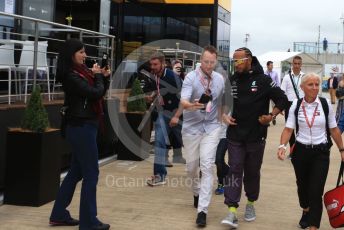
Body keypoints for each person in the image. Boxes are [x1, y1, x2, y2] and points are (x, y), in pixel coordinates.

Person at [221, 47, 288, 228]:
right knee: (234, 168)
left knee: (251, 172)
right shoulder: (232, 79)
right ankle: (232, 210)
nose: (235, 64)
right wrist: (224, 115)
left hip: (256, 136)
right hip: (235, 134)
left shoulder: (264, 80)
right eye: (234, 60)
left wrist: (271, 115)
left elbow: (282, 99)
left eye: (238, 60)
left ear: (249, 59)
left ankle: (250, 203)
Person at [49, 39, 110, 230]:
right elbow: (94, 93)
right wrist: (99, 77)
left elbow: (98, 91)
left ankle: (59, 214)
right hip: (81, 126)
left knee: (76, 171)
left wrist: (103, 77)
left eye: (84, 52)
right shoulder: (71, 75)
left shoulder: (81, 73)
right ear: (71, 54)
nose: (85, 55)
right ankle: (89, 221)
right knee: (91, 173)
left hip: (84, 126)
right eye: (81, 52)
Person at [277, 72, 344, 230]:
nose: (314, 88)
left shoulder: (325, 103)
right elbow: (288, 129)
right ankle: (305, 209)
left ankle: (314, 225)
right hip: (300, 152)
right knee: (302, 187)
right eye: (310, 84)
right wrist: (282, 146)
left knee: (316, 191)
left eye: (317, 84)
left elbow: (334, 130)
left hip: (320, 153)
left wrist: (342, 149)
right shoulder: (296, 105)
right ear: (302, 87)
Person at [180, 45, 225, 227]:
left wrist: (224, 116)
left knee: (207, 165)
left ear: (215, 61)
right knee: (191, 168)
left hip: (212, 127)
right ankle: (196, 192)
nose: (208, 65)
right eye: (206, 61)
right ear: (201, 60)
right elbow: (183, 100)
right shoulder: (191, 77)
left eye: (212, 62)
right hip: (192, 127)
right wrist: (191, 105)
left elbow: (220, 101)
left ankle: (202, 211)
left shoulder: (220, 79)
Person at [144, 52, 183, 186]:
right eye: (151, 64)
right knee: (159, 142)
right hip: (163, 113)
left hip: (179, 113)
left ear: (163, 64)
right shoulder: (154, 76)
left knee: (189, 143)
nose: (152, 67)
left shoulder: (173, 77)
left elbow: (184, 98)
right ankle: (160, 175)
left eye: (155, 64)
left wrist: (177, 116)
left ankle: (201, 168)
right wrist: (152, 97)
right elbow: (159, 91)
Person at [280, 56, 305, 153]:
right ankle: (292, 150)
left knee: (300, 128)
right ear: (292, 64)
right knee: (290, 128)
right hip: (289, 104)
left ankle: (298, 150)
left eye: (299, 63)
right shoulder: (287, 77)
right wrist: (281, 107)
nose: (297, 65)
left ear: (301, 65)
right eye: (295, 63)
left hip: (301, 104)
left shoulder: (304, 76)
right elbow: (282, 92)